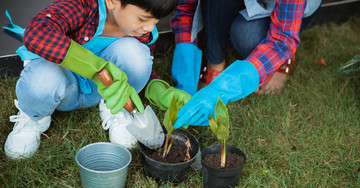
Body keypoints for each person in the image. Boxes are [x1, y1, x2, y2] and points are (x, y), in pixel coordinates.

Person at [3, 0, 179, 159]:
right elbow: (37, 32)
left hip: (101, 90)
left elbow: (138, 68)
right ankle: (33, 117)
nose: (149, 27)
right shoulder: (82, 5)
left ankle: (115, 108)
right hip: (59, 84)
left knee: (137, 54)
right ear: (112, 2)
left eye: (156, 21)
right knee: (42, 78)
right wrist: (96, 68)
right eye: (143, 19)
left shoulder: (141, 31)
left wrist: (159, 90)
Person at [170, 0, 321, 128]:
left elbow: (283, 40)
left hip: (288, 12)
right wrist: (186, 77)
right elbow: (186, 7)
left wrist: (231, 84)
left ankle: (283, 61)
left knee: (246, 36)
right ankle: (214, 65)